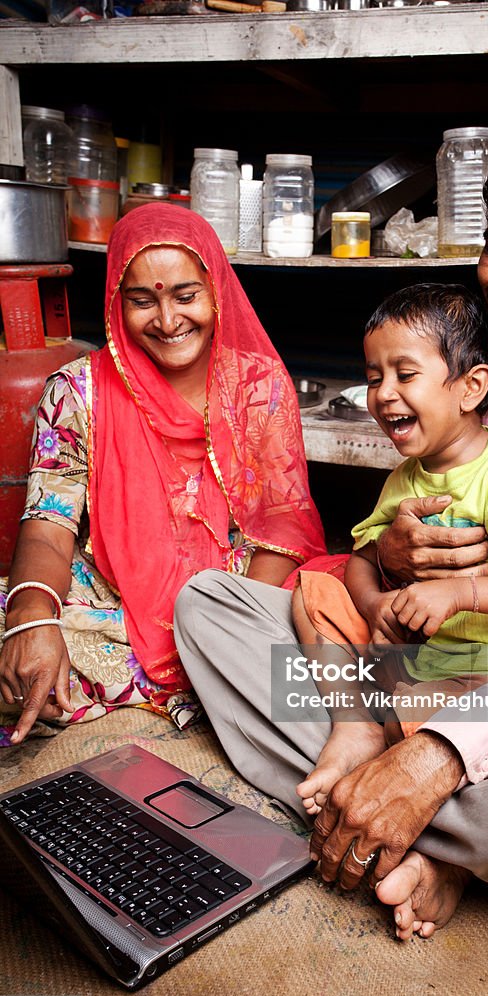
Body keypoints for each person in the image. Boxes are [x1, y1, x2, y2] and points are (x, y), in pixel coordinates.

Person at [174, 106, 488, 941]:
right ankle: (414, 826)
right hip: (421, 668)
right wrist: (390, 553)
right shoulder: (454, 362)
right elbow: (376, 580)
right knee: (209, 609)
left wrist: (443, 749)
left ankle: (413, 818)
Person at [0, 204, 325, 744]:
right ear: (115, 301)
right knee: (18, 642)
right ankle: (189, 692)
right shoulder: (77, 392)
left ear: (216, 290)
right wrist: (34, 622)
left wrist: (227, 632)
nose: (169, 321)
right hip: (113, 597)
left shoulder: (258, 386)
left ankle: (189, 682)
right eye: (142, 301)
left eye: (186, 296)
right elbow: (48, 526)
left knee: (336, 639)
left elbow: (285, 528)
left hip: (236, 592)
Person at [292, 282, 488, 815]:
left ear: (471, 387)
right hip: (424, 656)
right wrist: (373, 604)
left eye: (405, 375)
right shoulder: (407, 477)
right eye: (373, 377)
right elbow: (362, 560)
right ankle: (355, 728)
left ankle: (408, 791)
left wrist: (461, 593)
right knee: (313, 590)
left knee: (422, 712)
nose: (384, 393)